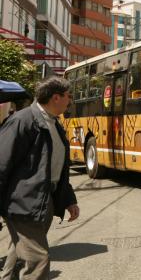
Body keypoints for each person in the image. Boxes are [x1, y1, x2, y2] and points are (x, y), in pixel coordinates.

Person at [0, 77, 79, 279]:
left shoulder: (54, 123)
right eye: (68, 97)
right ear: (56, 97)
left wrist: (68, 199)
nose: (70, 101)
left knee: (18, 253)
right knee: (38, 261)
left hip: (43, 200)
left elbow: (58, 167)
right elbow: (1, 164)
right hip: (23, 202)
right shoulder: (23, 120)